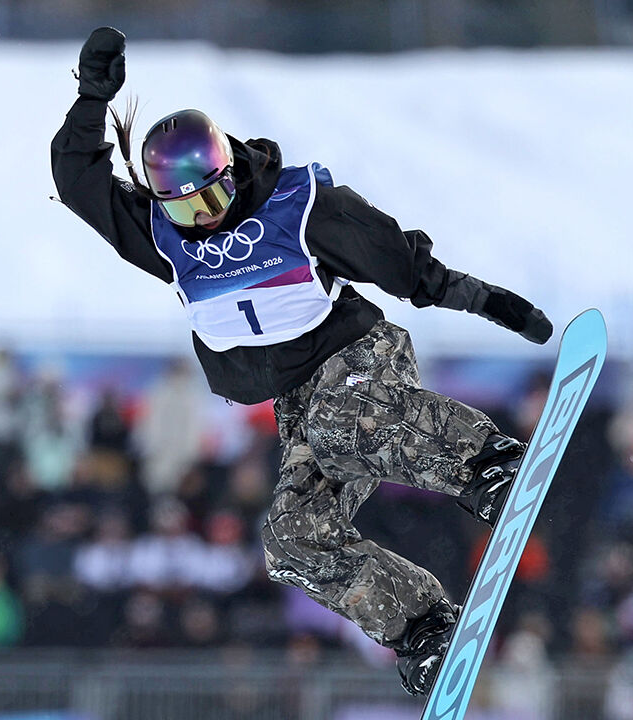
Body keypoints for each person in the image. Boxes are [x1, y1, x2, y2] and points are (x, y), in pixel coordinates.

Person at [50, 27, 553, 696]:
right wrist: (92, 99)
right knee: (290, 538)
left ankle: (488, 465)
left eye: (212, 198)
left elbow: (401, 265)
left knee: (344, 423)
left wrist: (484, 300)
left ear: (231, 171)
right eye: (184, 207)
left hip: (359, 360)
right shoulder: (165, 237)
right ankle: (423, 627)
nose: (205, 220)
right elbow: (79, 181)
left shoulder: (300, 208)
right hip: (300, 401)